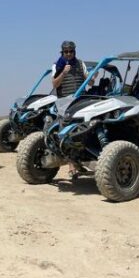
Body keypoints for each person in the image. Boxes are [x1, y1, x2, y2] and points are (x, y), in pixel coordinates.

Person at [51, 40, 91, 179]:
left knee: (84, 132)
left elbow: (90, 81)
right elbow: (55, 84)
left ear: (74, 52)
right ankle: (71, 165)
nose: (69, 54)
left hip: (81, 102)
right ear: (62, 52)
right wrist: (63, 73)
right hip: (65, 104)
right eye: (66, 52)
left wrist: (91, 78)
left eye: (71, 51)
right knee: (66, 133)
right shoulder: (57, 65)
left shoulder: (80, 64)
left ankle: (82, 160)